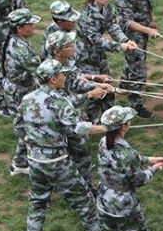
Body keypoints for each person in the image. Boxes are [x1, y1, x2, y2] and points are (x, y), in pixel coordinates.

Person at [17, 60, 107, 231]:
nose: (65, 77)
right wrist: (107, 128)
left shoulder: (28, 99)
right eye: (62, 74)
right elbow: (79, 129)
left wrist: (31, 141)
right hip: (57, 161)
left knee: (38, 199)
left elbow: (18, 125)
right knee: (82, 198)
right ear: (53, 79)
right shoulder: (59, 102)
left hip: (34, 159)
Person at [45, 31, 114, 189]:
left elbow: (75, 83)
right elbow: (60, 104)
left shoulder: (65, 64)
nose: (73, 47)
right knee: (81, 153)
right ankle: (84, 188)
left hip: (66, 115)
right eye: (68, 45)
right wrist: (89, 94)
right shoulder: (51, 72)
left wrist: (97, 85)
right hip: (60, 119)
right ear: (57, 51)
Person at [76, 0, 137, 122]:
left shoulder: (107, 8)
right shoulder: (86, 16)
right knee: (94, 88)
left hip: (99, 55)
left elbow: (112, 26)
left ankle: (111, 118)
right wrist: (119, 46)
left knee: (107, 84)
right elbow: (95, 39)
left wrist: (125, 40)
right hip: (86, 55)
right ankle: (91, 122)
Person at [116, 0, 160, 119]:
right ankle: (136, 105)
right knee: (139, 70)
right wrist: (147, 30)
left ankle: (123, 85)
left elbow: (148, 3)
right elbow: (126, 21)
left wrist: (151, 20)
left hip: (144, 28)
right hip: (132, 33)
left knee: (133, 61)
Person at [3, 8, 41, 176]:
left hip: (18, 87)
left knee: (26, 126)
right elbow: (40, 71)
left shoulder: (17, 40)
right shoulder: (20, 48)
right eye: (29, 24)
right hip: (19, 91)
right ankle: (19, 163)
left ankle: (21, 162)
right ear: (19, 28)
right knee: (26, 127)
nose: (33, 27)